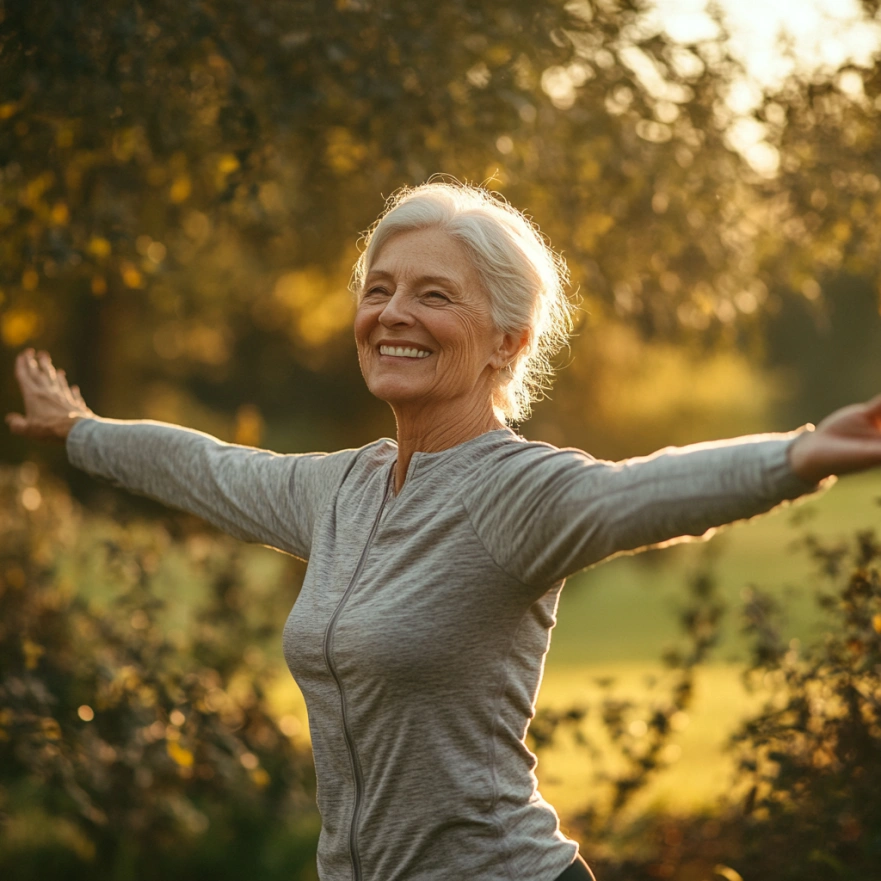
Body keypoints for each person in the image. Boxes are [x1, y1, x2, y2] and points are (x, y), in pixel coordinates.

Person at [7, 180, 881, 881]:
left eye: (433, 295)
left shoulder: (513, 493)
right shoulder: (339, 489)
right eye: (378, 290)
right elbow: (205, 467)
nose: (392, 313)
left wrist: (802, 453)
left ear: (508, 340)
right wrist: (82, 430)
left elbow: (636, 493)